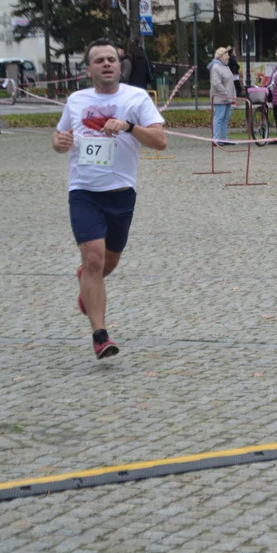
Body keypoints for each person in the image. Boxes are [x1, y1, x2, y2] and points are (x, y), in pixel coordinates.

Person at [51, 38, 167, 359]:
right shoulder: (76, 100)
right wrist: (59, 142)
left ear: (120, 66)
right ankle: (100, 336)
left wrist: (130, 127)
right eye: (99, 60)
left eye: (112, 60)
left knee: (108, 263)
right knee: (93, 259)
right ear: (88, 69)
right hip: (84, 191)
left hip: (121, 193)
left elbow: (160, 140)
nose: (107, 64)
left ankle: (88, 287)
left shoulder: (137, 98)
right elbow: (61, 138)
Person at [208, 46, 237, 145]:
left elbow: (229, 81)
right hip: (220, 98)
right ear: (220, 56)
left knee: (226, 118)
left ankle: (224, 138)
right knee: (219, 118)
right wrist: (225, 92)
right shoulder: (216, 67)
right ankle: (215, 139)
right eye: (226, 55)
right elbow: (216, 83)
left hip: (228, 98)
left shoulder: (225, 66)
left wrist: (231, 95)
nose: (228, 57)